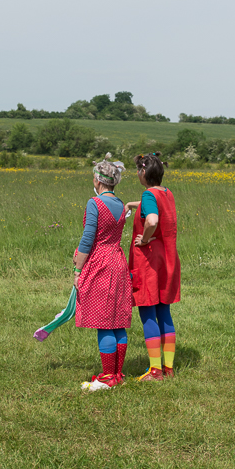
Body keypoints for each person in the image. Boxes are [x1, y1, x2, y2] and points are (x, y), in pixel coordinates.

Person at [74, 154, 132, 391]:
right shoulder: (120, 204)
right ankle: (117, 374)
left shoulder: (94, 203)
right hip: (118, 262)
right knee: (118, 321)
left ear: (98, 180)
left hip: (101, 263)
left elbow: (88, 238)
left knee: (104, 322)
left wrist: (77, 269)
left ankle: (107, 377)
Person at [125, 152, 181, 382]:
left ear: (143, 172)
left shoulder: (148, 195)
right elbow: (155, 207)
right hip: (167, 260)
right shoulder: (166, 193)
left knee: (147, 311)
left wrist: (145, 238)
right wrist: (132, 204)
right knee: (164, 311)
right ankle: (168, 368)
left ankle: (155, 371)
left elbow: (152, 219)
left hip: (149, 261)